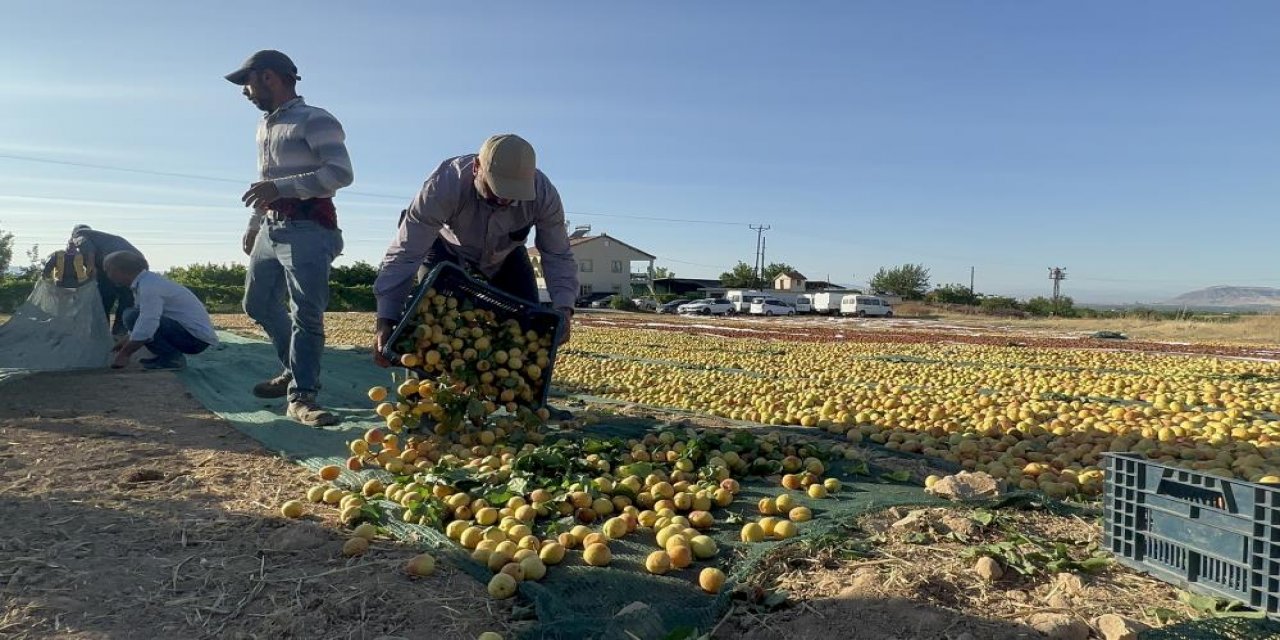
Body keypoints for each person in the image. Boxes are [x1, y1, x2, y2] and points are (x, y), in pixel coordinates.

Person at [225, 49, 353, 426]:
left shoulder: (315, 120)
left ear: (269, 77)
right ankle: (291, 368)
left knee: (306, 314)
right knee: (257, 304)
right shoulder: (265, 127)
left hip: (308, 229)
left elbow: (340, 173)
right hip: (271, 227)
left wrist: (280, 188)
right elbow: (267, 186)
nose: (244, 92)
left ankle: (302, 397)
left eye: (247, 83)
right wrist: (254, 223)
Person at [372, 134, 577, 366]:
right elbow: (406, 252)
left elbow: (557, 254)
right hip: (445, 247)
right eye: (496, 191)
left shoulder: (544, 195)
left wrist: (564, 308)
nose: (504, 201)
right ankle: (425, 393)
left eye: (513, 195)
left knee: (524, 326)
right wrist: (386, 319)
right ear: (477, 168)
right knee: (431, 318)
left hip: (505, 254)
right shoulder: (444, 185)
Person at [104, 251, 219, 371]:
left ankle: (171, 359)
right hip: (192, 335)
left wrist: (125, 353)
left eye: (107, 270)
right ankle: (167, 357)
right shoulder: (146, 282)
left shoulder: (149, 286)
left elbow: (148, 322)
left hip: (194, 340)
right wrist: (127, 339)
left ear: (117, 270)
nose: (107, 274)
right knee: (133, 315)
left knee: (131, 316)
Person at [44, 225, 145, 335]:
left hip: (117, 263)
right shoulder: (100, 238)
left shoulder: (80, 235)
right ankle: (118, 332)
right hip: (138, 263)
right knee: (126, 297)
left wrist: (91, 267)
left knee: (104, 298)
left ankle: (101, 332)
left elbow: (87, 247)